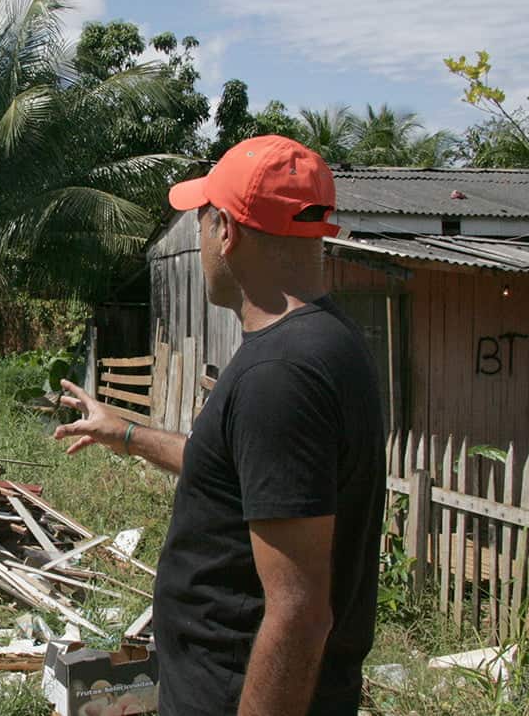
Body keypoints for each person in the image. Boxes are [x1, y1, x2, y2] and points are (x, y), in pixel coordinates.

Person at [55, 135, 386, 716]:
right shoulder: (324, 341)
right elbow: (244, 474)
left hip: (237, 692)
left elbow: (300, 612)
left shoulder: (280, 375)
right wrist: (127, 434)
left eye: (202, 219)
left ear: (225, 230)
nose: (200, 235)